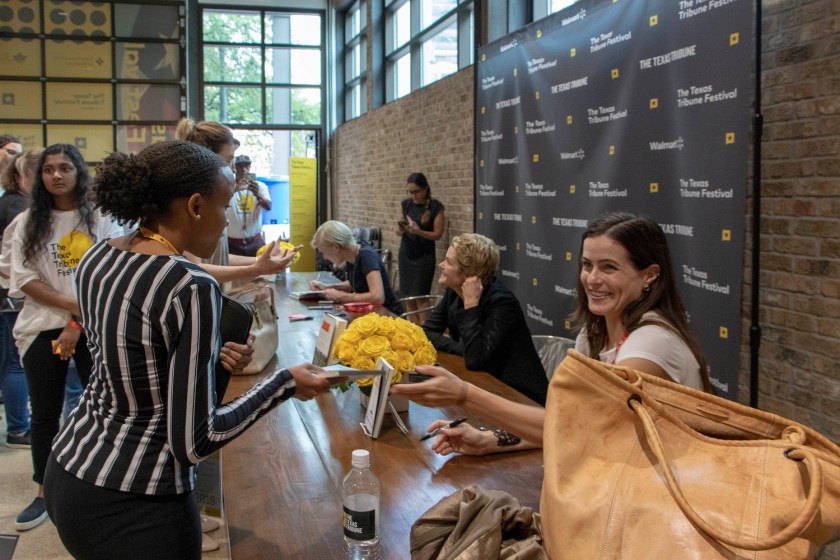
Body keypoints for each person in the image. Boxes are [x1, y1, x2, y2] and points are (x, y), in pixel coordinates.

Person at [43, 140, 337, 560]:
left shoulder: (98, 257)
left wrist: (206, 360)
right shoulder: (191, 286)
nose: (226, 223)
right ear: (196, 206)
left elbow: (128, 359)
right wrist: (285, 383)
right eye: (225, 207)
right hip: (136, 499)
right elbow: (198, 439)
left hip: (71, 465)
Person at [391, 212, 710, 457]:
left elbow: (578, 428)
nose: (592, 279)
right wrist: (490, 440)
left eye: (609, 267)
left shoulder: (652, 341)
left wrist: (464, 394)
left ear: (650, 275)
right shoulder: (593, 336)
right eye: (587, 265)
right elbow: (570, 426)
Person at [7, 144, 124, 531]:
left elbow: (113, 274)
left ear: (79, 172)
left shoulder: (102, 217)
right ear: (39, 176)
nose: (56, 175)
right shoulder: (27, 222)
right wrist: (68, 313)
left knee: (105, 411)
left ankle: (99, 485)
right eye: (48, 169)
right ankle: (43, 490)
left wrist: (75, 324)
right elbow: (23, 278)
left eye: (65, 167)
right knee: (44, 414)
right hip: (40, 328)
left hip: (93, 327)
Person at [420, 233, 548, 406]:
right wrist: (461, 348)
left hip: (520, 397)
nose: (441, 264)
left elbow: (474, 360)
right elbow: (426, 332)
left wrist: (471, 304)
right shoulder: (454, 291)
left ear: (469, 274)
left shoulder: (502, 303)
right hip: (485, 385)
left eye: (448, 262)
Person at [174, 117, 300, 282]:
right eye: (229, 160)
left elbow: (218, 258)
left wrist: (262, 261)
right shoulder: (193, 204)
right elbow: (193, 269)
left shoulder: (211, 199)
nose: (233, 168)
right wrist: (255, 269)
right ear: (206, 158)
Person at [0, 149, 40, 449]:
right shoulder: (21, 211)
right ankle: (17, 428)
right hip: (16, 298)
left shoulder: (12, 204)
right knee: (16, 363)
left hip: (15, 296)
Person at [308, 220, 403, 315]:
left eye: (324, 252)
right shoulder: (352, 254)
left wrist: (343, 296)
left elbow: (377, 297)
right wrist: (328, 287)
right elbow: (356, 282)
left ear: (336, 247)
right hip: (370, 312)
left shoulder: (366, 256)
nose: (325, 257)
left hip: (387, 315)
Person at [396, 172, 445, 317]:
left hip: (424, 256)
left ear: (426, 189)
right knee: (408, 297)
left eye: (417, 192)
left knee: (421, 296)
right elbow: (398, 232)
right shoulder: (405, 204)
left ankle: (426, 331)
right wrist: (401, 229)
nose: (413, 196)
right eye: (410, 192)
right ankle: (413, 330)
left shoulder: (436, 207)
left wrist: (419, 231)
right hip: (406, 254)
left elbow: (438, 234)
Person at [227, 154, 271, 256]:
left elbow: (268, 207)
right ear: (234, 167)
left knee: (260, 270)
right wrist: (234, 190)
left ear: (250, 166)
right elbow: (218, 204)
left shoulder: (260, 186)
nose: (243, 169)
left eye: (246, 166)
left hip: (255, 242)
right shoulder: (228, 186)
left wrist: (258, 195)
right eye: (240, 166)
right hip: (232, 243)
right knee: (234, 271)